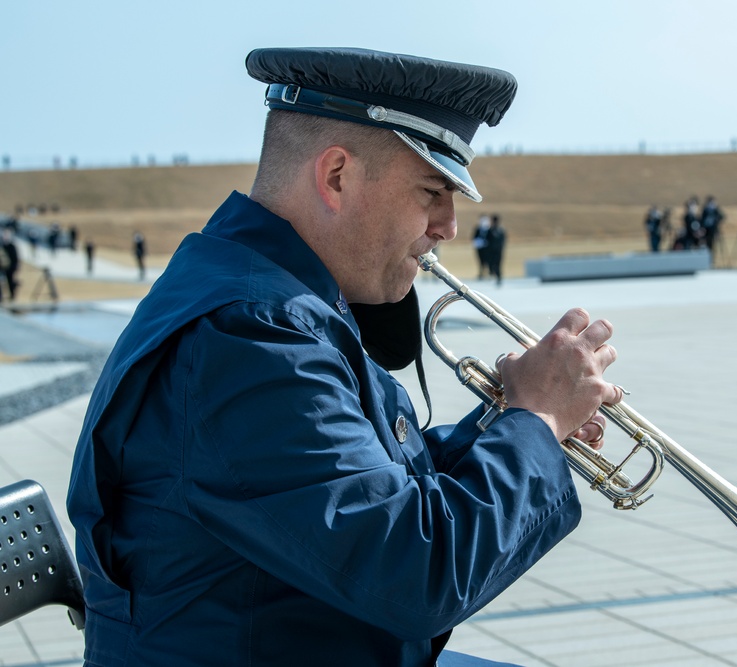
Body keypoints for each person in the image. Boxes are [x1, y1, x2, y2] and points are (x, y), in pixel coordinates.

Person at [67, 47, 622, 667]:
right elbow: (415, 574)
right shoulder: (252, 335)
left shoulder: (271, 296)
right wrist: (537, 423)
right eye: (433, 190)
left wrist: (504, 428)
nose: (449, 226)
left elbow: (359, 491)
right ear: (336, 176)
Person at [700, 195, 725, 260]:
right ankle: (707, 258)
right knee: (707, 245)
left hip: (714, 230)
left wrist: (716, 210)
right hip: (706, 230)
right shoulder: (705, 210)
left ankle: (712, 258)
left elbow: (722, 216)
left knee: (713, 245)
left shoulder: (715, 210)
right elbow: (702, 219)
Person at [486, 212, 507, 285]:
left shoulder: (500, 230)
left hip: (498, 251)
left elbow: (503, 240)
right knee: (491, 264)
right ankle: (492, 274)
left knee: (498, 264)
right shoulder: (490, 230)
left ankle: (499, 277)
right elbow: (487, 240)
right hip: (491, 251)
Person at [0, 228, 18, 301]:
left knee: (10, 282)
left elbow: (15, 258)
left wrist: (13, 268)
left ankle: (12, 296)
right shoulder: (2, 246)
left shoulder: (11, 246)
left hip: (9, 268)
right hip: (2, 268)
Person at [472, 213, 491, 278]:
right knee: (480, 260)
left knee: (488, 260)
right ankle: (481, 273)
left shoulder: (489, 229)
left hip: (487, 248)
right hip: (480, 247)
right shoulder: (478, 228)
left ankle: (489, 273)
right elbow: (474, 236)